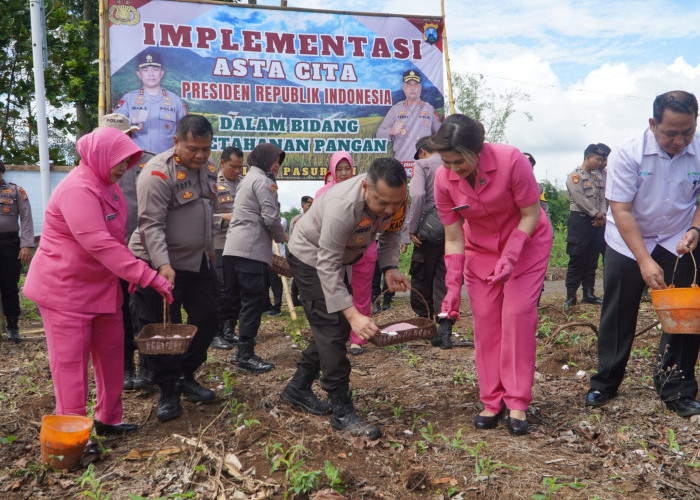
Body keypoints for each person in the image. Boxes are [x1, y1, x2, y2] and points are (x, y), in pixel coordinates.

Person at [22, 128, 173, 434]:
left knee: (112, 355)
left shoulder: (110, 185)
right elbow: (99, 243)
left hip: (101, 287)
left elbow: (118, 238)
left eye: (128, 159)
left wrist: (127, 271)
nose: (124, 166)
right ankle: (72, 432)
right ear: (98, 156)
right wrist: (146, 275)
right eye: (118, 159)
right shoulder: (77, 189)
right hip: (64, 289)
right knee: (70, 367)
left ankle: (109, 419)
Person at [433, 114, 552, 436]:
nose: (454, 169)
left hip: (525, 245)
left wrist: (512, 255)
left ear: (478, 150)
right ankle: (491, 399)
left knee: (517, 314)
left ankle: (517, 401)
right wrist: (451, 288)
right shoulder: (443, 180)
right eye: (447, 162)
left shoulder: (511, 160)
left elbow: (530, 214)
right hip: (480, 250)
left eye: (460, 161)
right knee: (485, 319)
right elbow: (454, 236)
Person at [586, 90, 700, 418]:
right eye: (670, 133)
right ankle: (605, 382)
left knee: (684, 315)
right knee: (619, 312)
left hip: (677, 241)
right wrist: (644, 260)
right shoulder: (628, 152)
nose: (680, 141)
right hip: (627, 242)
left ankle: (676, 387)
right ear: (653, 124)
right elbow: (620, 210)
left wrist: (695, 230)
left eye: (688, 132)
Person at [280, 157, 410, 439]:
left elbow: (391, 234)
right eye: (382, 203)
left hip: (339, 260)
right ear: (365, 187)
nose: (389, 209)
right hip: (310, 256)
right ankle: (341, 411)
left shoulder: (398, 198)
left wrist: (389, 268)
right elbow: (326, 264)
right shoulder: (343, 205)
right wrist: (353, 315)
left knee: (334, 327)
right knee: (332, 326)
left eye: (395, 202)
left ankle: (298, 388)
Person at [128, 114, 219, 423]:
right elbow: (150, 226)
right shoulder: (156, 173)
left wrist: (209, 249)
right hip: (157, 263)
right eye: (194, 148)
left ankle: (184, 374)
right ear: (176, 141)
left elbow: (205, 210)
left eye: (206, 149)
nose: (201, 155)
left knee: (209, 316)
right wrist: (163, 265)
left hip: (196, 262)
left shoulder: (206, 169)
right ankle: (167, 389)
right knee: (161, 328)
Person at [99, 113, 156, 390]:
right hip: (110, 254)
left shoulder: (148, 160)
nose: (123, 141)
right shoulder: (95, 166)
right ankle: (124, 368)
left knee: (144, 308)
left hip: (143, 250)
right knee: (118, 311)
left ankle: (146, 367)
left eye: (128, 135)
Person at [223, 143, 287, 373]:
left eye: (279, 162)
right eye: (274, 161)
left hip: (233, 248)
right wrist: (285, 238)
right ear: (263, 160)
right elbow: (270, 218)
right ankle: (245, 353)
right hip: (249, 250)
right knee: (254, 302)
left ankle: (239, 347)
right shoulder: (263, 181)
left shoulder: (246, 180)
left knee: (239, 300)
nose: (277, 166)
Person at [315, 152, 377, 356]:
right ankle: (334, 335)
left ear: (353, 169)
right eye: (339, 168)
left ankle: (359, 338)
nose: (343, 173)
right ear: (331, 170)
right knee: (333, 289)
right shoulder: (323, 192)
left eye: (347, 168)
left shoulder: (363, 189)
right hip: (334, 250)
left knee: (361, 292)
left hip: (361, 248)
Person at [405, 136, 448, 346]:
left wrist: (412, 228)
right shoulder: (451, 162)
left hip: (427, 231)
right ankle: (445, 331)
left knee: (421, 276)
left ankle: (426, 326)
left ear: (422, 151)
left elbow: (419, 195)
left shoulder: (422, 165)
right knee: (444, 278)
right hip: (452, 229)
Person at [114, 49, 187, 154]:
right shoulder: (128, 99)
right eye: (145, 70)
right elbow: (112, 127)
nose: (151, 74)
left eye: (155, 69)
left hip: (166, 163)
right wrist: (132, 120)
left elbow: (185, 132)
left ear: (161, 73)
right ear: (139, 74)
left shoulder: (176, 101)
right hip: (136, 162)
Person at [563, 144, 608, 307]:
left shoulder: (597, 177)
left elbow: (603, 197)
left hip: (597, 222)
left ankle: (588, 293)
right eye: (597, 159)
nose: (600, 162)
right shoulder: (575, 176)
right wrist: (596, 214)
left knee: (592, 258)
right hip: (580, 221)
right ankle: (570, 296)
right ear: (588, 157)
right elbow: (580, 199)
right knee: (577, 258)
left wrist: (602, 216)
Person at [210, 146, 244, 351]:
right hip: (220, 243)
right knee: (221, 288)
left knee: (236, 287)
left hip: (240, 243)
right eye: (234, 167)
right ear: (222, 164)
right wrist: (223, 217)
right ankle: (216, 332)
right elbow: (203, 214)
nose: (237, 171)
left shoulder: (244, 184)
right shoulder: (213, 184)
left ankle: (231, 329)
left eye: (241, 167)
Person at [0, 159, 34, 342]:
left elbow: (26, 218)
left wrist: (26, 244)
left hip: (9, 244)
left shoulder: (15, 191)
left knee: (9, 286)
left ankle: (13, 327)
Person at [376, 70, 442, 163]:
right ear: (403, 87)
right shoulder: (395, 110)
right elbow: (379, 135)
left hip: (425, 164)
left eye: (416, 84)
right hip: (402, 165)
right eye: (409, 84)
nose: (412, 88)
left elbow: (442, 133)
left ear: (420, 87)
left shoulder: (429, 109)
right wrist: (391, 131)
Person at [289, 196, 313, 307]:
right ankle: (294, 297)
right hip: (298, 251)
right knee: (298, 274)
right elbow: (291, 236)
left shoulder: (315, 217)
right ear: (302, 205)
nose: (311, 207)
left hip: (312, 252)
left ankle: (308, 298)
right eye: (309, 205)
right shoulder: (295, 220)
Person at [264, 203, 287, 317]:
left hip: (277, 257)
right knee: (264, 282)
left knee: (276, 283)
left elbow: (274, 229)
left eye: (275, 208)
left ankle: (277, 307)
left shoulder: (282, 220)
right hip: (265, 256)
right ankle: (266, 305)